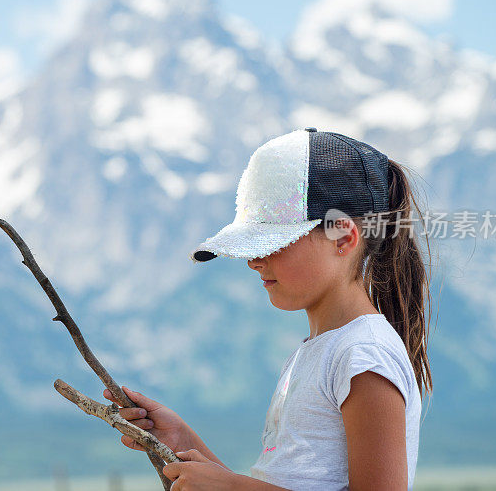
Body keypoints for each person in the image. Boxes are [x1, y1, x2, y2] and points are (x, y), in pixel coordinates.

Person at [103, 128, 435, 490]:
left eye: (274, 242)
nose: (254, 261)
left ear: (344, 237)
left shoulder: (363, 355)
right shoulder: (319, 350)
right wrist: (181, 441)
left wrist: (230, 488)